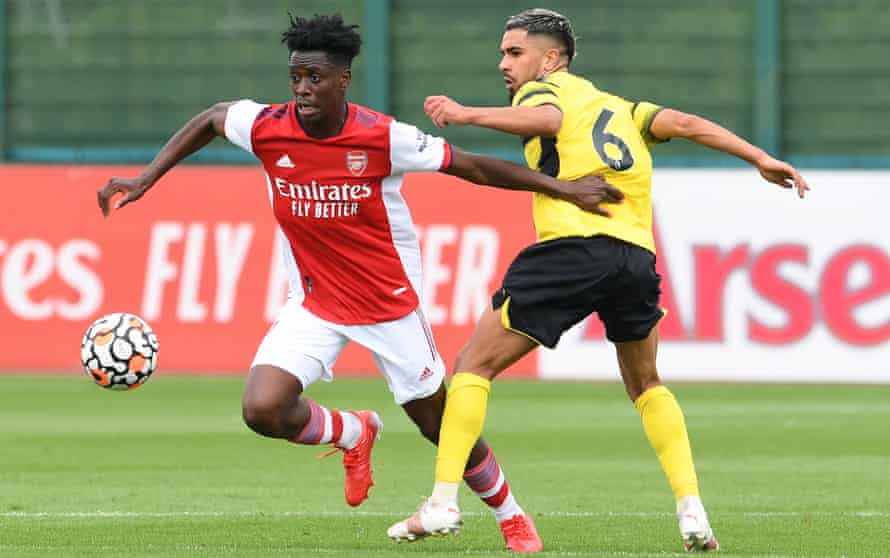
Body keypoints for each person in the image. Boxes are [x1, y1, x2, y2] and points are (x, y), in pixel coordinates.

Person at [96, 13, 623, 553]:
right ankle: (352, 432)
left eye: (315, 78)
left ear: (342, 81)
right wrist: (145, 178)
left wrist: (562, 189)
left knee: (438, 425)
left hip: (387, 303)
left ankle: (512, 517)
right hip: (315, 302)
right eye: (296, 76)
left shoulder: (382, 137)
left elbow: (472, 166)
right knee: (262, 409)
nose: (303, 88)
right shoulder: (265, 126)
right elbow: (211, 118)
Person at [388, 8, 810, 553]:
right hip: (635, 259)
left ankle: (443, 500)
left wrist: (465, 114)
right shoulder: (620, 107)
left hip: (573, 248)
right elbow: (683, 123)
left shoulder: (545, 93)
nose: (504, 64)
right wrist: (759, 156)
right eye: (503, 53)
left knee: (473, 365)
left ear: (551, 59)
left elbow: (547, 123)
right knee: (647, 383)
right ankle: (693, 512)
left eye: (514, 53)